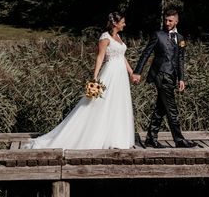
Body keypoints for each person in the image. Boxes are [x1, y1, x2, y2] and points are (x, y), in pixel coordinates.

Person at [24, 12, 135, 149]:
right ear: (115, 23)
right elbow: (100, 58)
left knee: (117, 103)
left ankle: (115, 138)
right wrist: (95, 77)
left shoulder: (118, 37)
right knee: (101, 104)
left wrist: (131, 72)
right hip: (110, 73)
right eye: (122, 22)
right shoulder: (105, 38)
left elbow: (122, 56)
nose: (124, 24)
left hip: (121, 75)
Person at [132, 9, 197, 148]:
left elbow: (180, 59)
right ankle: (179, 140)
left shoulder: (181, 38)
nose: (167, 23)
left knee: (161, 108)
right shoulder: (158, 35)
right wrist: (137, 72)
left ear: (176, 21)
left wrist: (181, 78)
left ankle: (151, 138)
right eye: (165, 20)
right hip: (160, 74)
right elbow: (146, 54)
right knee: (172, 109)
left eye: (170, 21)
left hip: (172, 77)